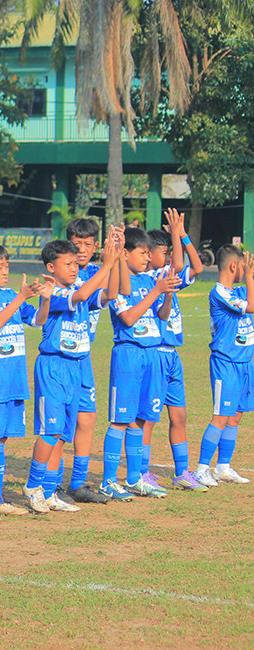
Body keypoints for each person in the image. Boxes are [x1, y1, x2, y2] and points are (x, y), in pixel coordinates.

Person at [24, 233, 119, 514]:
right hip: (54, 366)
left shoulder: (78, 290)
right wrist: (107, 264)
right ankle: (33, 485)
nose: (74, 268)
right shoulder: (52, 292)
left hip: (76, 368)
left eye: (75, 263)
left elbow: (110, 295)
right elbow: (79, 294)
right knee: (50, 430)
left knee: (62, 433)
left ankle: (51, 491)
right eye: (68, 263)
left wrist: (112, 265)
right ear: (51, 268)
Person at [0, 241, 48, 523]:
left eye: (7, 265)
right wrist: (20, 298)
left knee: (2, 439)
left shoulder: (12, 294)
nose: (6, 270)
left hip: (15, 379)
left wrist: (46, 298)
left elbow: (38, 321)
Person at [103, 227, 181, 499]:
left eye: (149, 253)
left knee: (139, 419)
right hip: (128, 354)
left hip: (151, 355)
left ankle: (135, 478)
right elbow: (128, 318)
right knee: (120, 420)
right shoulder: (119, 282)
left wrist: (167, 294)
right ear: (125, 254)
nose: (148, 258)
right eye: (143, 253)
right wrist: (156, 290)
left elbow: (162, 315)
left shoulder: (150, 281)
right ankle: (109, 480)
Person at [135, 210, 207, 491]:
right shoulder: (153, 277)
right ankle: (141, 473)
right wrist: (177, 235)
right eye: (161, 251)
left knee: (179, 416)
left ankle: (181, 472)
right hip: (155, 353)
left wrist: (184, 235)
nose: (166, 257)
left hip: (173, 356)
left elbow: (197, 268)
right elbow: (179, 263)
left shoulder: (169, 275)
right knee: (148, 419)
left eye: (167, 251)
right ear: (148, 254)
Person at [63, 217, 116, 504]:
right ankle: (51, 485)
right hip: (63, 358)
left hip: (84, 356)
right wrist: (109, 265)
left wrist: (116, 257)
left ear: (96, 246)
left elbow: (115, 292)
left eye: (87, 244)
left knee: (87, 418)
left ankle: (78, 484)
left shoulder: (98, 269)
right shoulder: (64, 272)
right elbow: (85, 293)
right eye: (76, 243)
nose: (81, 249)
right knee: (63, 424)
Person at [194, 246, 254, 486]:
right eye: (243, 265)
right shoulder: (219, 293)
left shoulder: (240, 290)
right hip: (226, 362)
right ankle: (201, 469)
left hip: (244, 362)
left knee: (235, 416)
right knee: (221, 416)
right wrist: (249, 277)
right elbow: (251, 306)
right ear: (233, 266)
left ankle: (223, 467)